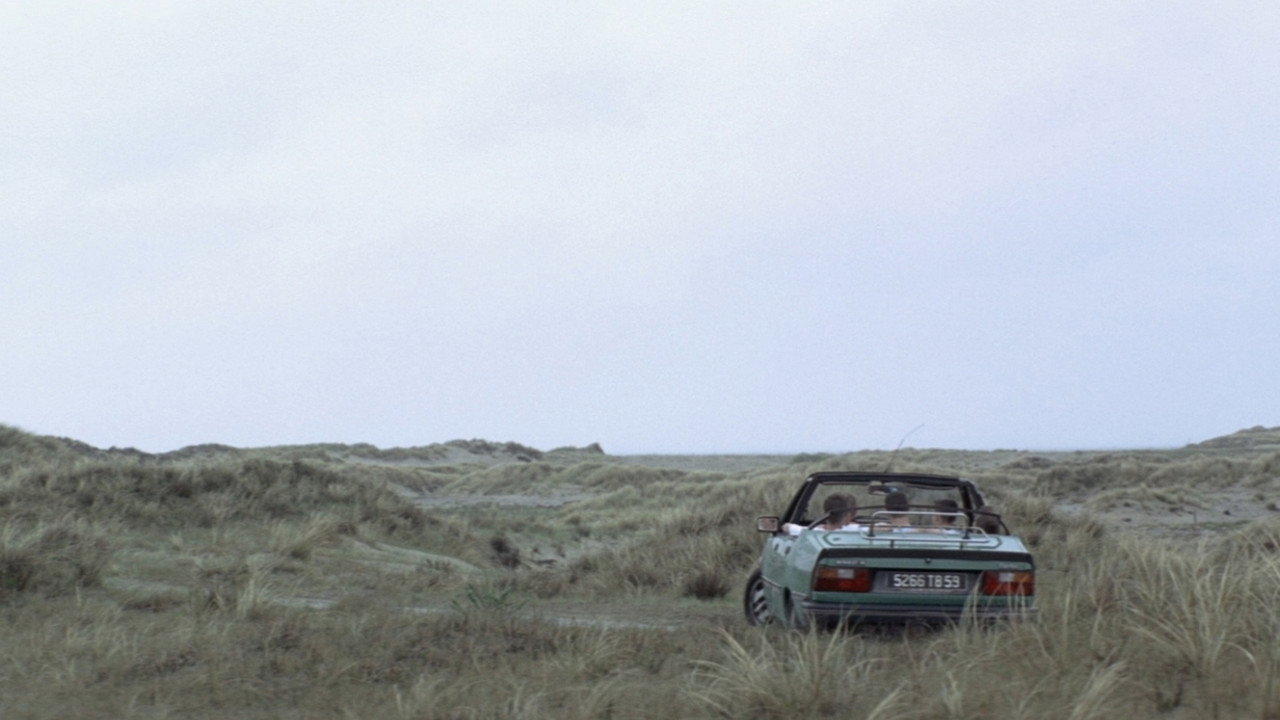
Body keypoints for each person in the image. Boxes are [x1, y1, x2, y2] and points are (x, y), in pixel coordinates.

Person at [783, 493, 859, 535]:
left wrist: (818, 527)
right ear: (846, 515)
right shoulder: (856, 532)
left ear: (825, 513)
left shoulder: (812, 533)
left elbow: (786, 527)